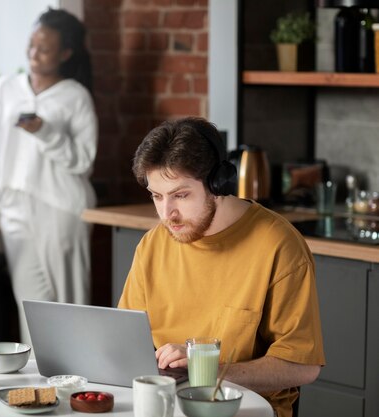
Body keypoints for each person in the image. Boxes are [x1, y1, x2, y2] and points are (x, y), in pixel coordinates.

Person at [118, 117, 325, 417]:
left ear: (218, 183)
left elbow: (304, 367)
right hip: (169, 405)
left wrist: (204, 370)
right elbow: (125, 341)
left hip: (245, 408)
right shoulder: (153, 244)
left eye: (181, 195)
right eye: (157, 196)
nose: (167, 214)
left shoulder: (278, 245)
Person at [0, 8, 97, 345]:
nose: (33, 54)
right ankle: (39, 391)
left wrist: (45, 131)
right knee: (30, 308)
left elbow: (83, 162)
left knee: (68, 305)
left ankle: (76, 387)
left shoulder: (75, 96)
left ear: (65, 53)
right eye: (31, 45)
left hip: (60, 208)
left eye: (43, 49)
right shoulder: (7, 88)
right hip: (15, 207)